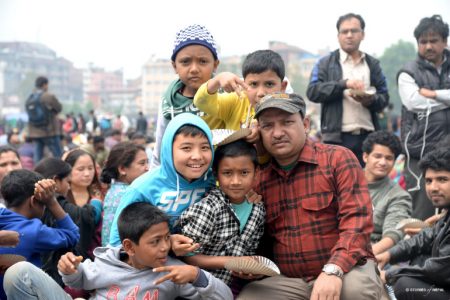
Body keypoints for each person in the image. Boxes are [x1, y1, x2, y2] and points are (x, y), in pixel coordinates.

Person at [238, 93, 385, 300]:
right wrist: (253, 266)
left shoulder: (338, 159)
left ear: (305, 124)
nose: (277, 133)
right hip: (291, 280)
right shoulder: (259, 179)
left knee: (353, 293)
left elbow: (357, 223)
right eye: (267, 126)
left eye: (287, 122)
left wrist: (333, 269)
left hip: (348, 269)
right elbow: (263, 241)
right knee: (250, 296)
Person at [3, 202, 233, 300]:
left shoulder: (174, 273)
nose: (165, 247)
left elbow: (225, 297)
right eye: (155, 242)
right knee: (19, 272)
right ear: (129, 247)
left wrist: (197, 275)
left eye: (166, 238)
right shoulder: (106, 262)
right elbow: (79, 280)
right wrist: (69, 269)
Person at [109, 113, 215, 246]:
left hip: (204, 261)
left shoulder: (215, 180)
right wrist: (167, 244)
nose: (197, 156)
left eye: (205, 147)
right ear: (168, 150)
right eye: (186, 148)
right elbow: (116, 244)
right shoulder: (142, 188)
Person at [307, 13, 389, 166]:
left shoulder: (372, 64)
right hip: (336, 138)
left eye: (354, 31)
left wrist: (369, 100)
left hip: (369, 137)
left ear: (362, 35)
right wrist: (343, 84)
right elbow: (313, 91)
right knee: (337, 185)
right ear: (338, 36)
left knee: (366, 186)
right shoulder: (325, 63)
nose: (349, 35)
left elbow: (384, 97)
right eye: (345, 32)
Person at [179, 139, 265, 285]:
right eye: (227, 173)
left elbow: (249, 253)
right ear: (216, 174)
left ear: (256, 173)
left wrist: (250, 270)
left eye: (244, 172)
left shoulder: (258, 209)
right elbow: (188, 257)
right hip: (199, 289)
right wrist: (232, 262)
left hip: (234, 286)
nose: (236, 181)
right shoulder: (207, 208)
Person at [376, 145, 450, 299]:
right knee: (418, 256)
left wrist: (390, 274)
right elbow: (426, 238)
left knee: (406, 286)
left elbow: (442, 269)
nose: (433, 188)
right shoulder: (446, 214)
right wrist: (388, 255)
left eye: (442, 179)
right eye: (429, 181)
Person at [398, 15, 450, 221]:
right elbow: (413, 102)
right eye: (423, 41)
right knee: (421, 216)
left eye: (434, 40)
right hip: (420, 154)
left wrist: (435, 94)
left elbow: (424, 99)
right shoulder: (408, 72)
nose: (428, 46)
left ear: (444, 42)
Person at [151, 24, 223, 168]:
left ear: (215, 65)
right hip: (182, 181)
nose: (194, 69)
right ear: (174, 66)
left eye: (203, 61)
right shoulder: (168, 103)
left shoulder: (226, 95)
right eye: (185, 62)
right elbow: (160, 151)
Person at [0, 169, 79, 299]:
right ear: (34, 201)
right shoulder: (33, 231)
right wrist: (52, 202)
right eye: (44, 204)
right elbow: (72, 234)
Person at [194, 49, 287, 131]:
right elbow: (201, 102)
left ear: (282, 87)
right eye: (254, 84)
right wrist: (217, 80)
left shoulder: (289, 111)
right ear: (243, 84)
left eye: (269, 84)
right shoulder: (236, 101)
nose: (261, 93)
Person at [361, 131, 412, 255]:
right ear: (365, 157)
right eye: (377, 156)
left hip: (370, 252)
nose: (383, 162)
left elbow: (393, 234)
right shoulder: (345, 180)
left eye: (389, 158)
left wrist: (363, 257)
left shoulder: (399, 196)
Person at [100, 141, 149, 246]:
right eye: (142, 163)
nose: (147, 168)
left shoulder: (114, 190)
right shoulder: (131, 194)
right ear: (122, 169)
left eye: (147, 162)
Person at [27, 76, 63, 163]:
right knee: (59, 156)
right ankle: (63, 174)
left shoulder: (30, 97)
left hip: (35, 132)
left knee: (37, 158)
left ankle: (37, 175)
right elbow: (59, 108)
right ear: (45, 84)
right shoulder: (48, 96)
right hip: (49, 131)